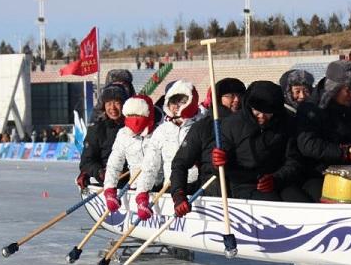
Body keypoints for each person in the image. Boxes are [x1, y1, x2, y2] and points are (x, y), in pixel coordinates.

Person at [211, 81, 307, 202]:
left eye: (267, 113)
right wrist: (218, 161)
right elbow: (220, 166)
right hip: (245, 184)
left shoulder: (286, 123)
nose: (261, 116)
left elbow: (294, 160)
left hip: (279, 180)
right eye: (257, 111)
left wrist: (277, 178)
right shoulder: (231, 124)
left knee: (300, 203)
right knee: (272, 204)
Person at [295, 60, 351, 202]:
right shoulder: (310, 109)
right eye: (348, 89)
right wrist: (345, 152)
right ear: (334, 88)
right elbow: (308, 145)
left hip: (349, 173)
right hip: (314, 174)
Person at [170, 78, 246, 205]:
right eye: (230, 96)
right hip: (213, 196)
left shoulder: (250, 124)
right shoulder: (204, 126)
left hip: (246, 196)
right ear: (218, 98)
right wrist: (178, 193)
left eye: (240, 95)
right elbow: (180, 163)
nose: (237, 100)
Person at [134, 80, 201, 217]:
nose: (176, 106)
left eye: (182, 101)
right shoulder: (161, 131)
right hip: (171, 187)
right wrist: (142, 194)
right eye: (173, 101)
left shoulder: (202, 125)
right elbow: (150, 165)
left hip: (198, 187)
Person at [103, 95, 156, 220]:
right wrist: (110, 190)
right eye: (130, 116)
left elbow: (153, 166)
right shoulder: (123, 134)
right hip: (135, 187)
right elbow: (114, 164)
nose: (134, 120)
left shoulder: (159, 134)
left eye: (138, 116)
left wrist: (142, 197)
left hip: (159, 188)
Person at [76, 83, 129, 189]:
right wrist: (100, 172)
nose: (112, 108)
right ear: (103, 106)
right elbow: (87, 161)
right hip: (108, 184)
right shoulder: (96, 129)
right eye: (109, 103)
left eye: (117, 103)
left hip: (134, 182)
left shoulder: (134, 128)